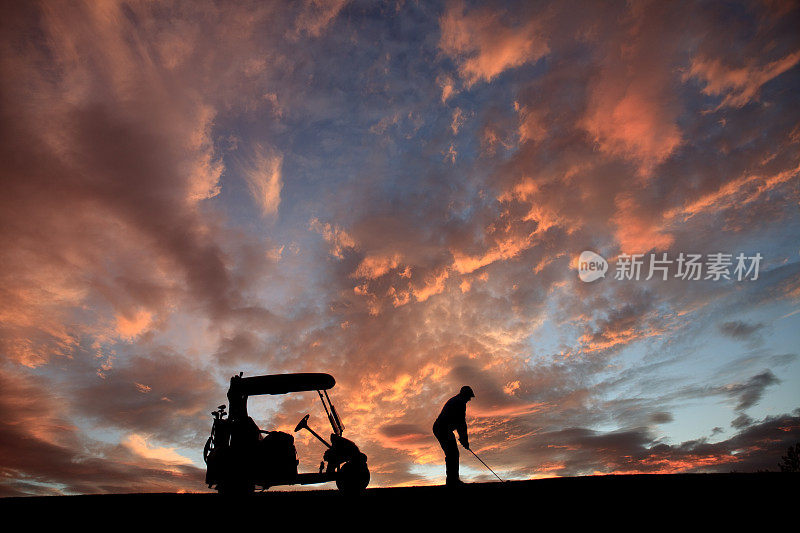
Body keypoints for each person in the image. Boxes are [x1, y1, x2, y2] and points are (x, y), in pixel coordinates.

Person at [432, 385, 474, 486]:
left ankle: (452, 480)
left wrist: (464, 439)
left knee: (453, 453)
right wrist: (464, 440)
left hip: (443, 429)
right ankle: (452, 481)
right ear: (465, 395)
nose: (469, 399)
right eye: (469, 397)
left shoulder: (459, 401)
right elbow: (461, 424)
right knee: (452, 453)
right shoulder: (459, 403)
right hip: (441, 429)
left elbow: (460, 424)